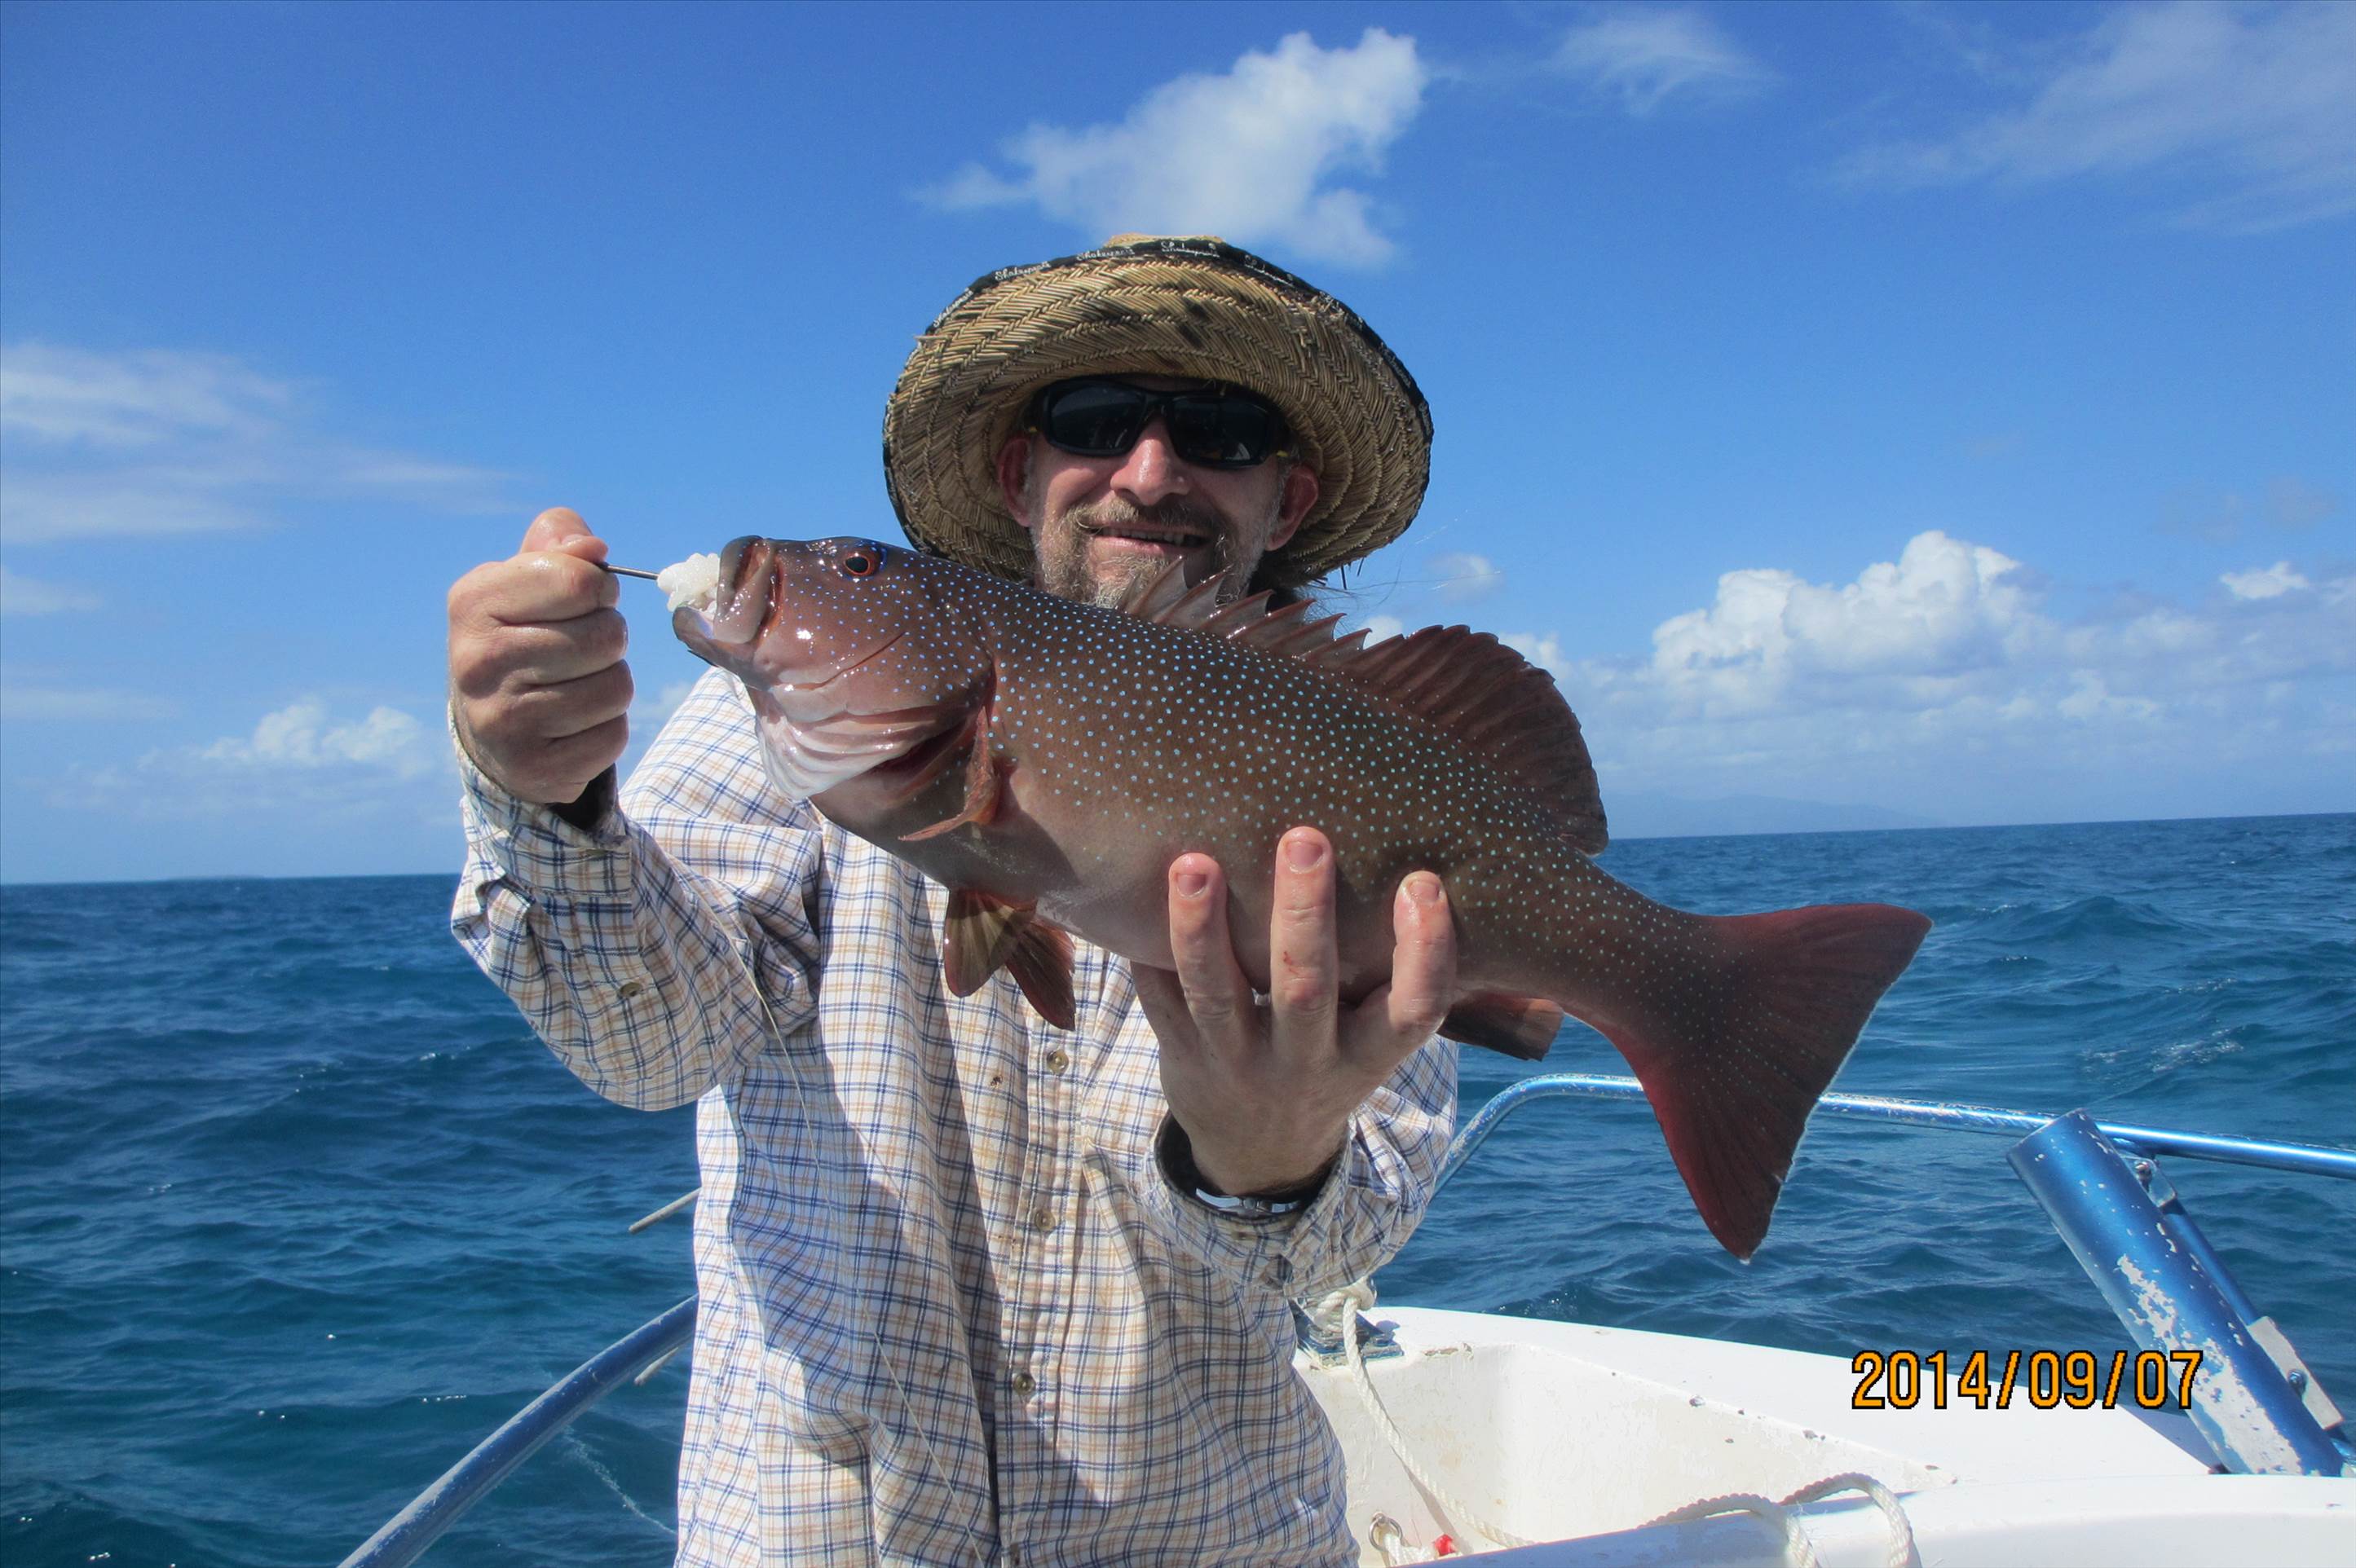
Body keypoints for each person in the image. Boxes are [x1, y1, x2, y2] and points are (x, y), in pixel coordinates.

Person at [446, 236, 1453, 1567]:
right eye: (1093, 423)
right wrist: (550, 800)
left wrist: (1264, 1167)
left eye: (1220, 430)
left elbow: (1330, 1254)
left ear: (1287, 494)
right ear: (1015, 470)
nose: (1149, 472)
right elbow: (650, 1048)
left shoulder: (1354, 762)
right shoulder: (763, 725)